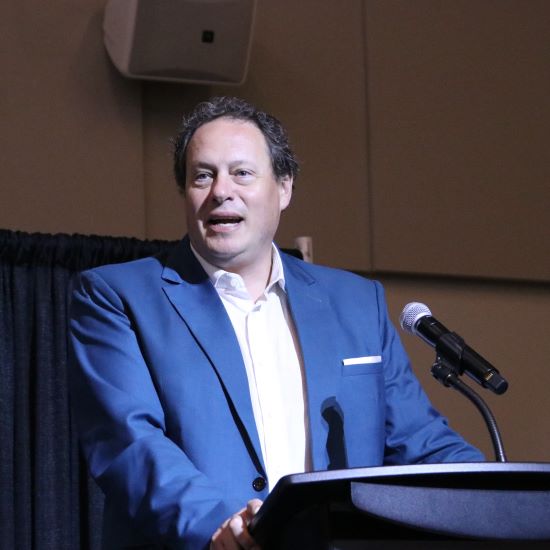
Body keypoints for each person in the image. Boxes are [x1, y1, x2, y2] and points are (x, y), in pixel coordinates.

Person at [69, 96, 484, 550]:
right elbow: (128, 441)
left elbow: (419, 442)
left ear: (284, 188)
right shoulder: (118, 296)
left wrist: (500, 498)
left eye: (242, 173)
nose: (221, 190)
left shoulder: (356, 302)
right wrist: (215, 523)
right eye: (202, 175)